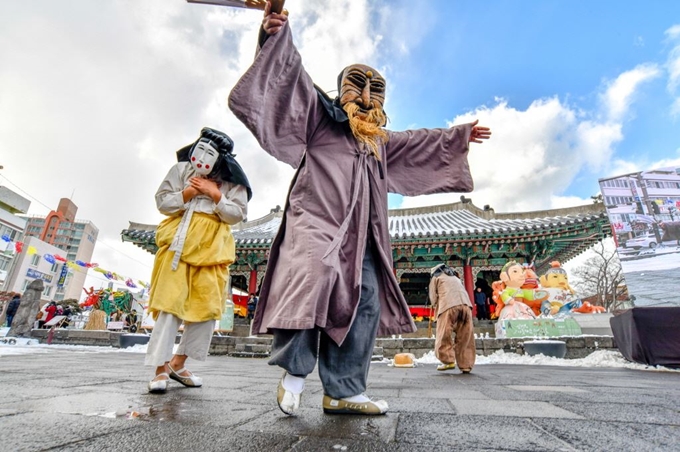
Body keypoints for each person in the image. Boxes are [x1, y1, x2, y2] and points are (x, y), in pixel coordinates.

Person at [228, 1, 491, 416]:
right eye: (357, 85)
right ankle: (294, 375)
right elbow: (289, 79)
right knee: (312, 281)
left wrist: (458, 136)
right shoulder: (321, 119)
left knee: (365, 301)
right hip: (316, 222)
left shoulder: (381, 143)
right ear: (340, 89)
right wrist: (273, 35)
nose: (366, 96)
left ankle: (344, 390)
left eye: (375, 89)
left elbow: (422, 141)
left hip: (366, 237)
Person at [144, 127, 250, 394]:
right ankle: (159, 369)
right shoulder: (179, 172)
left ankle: (179, 364)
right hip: (178, 242)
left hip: (213, 247)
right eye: (199, 149)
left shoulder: (231, 181)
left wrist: (216, 195)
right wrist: (189, 194)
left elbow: (236, 214)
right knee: (169, 306)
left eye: (209, 153)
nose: (202, 156)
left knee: (206, 308)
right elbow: (163, 202)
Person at [429, 264, 476, 373]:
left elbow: (433, 298)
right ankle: (466, 365)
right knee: (465, 335)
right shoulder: (455, 278)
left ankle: (448, 360)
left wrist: (435, 305)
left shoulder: (436, 277)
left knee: (444, 333)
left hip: (448, 305)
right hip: (466, 305)